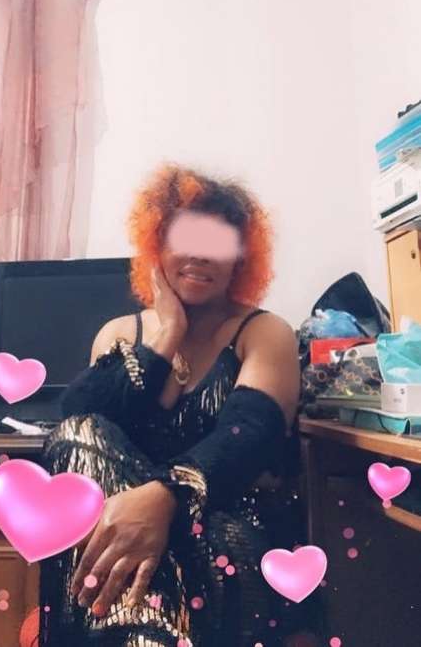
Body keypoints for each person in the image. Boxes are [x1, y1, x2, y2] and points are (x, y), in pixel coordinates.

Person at [39, 164, 323, 647]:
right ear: (156, 245)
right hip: (128, 545)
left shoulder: (262, 332)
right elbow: (77, 421)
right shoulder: (120, 333)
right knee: (77, 436)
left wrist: (164, 498)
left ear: (240, 258)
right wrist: (166, 336)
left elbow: (248, 436)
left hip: (227, 537)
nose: (200, 254)